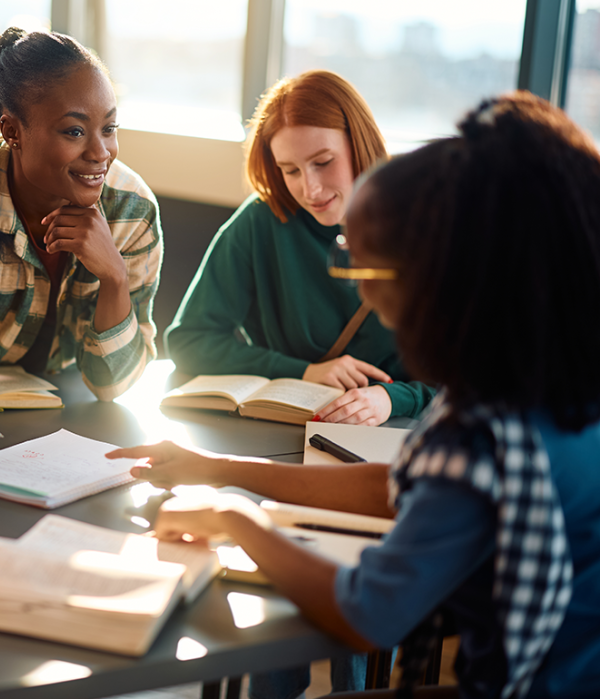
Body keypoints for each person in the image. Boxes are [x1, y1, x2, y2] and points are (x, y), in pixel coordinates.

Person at [109, 92, 600, 698]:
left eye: (360, 267)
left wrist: (237, 519)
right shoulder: (540, 380)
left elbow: (368, 614)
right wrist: (220, 470)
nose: (356, 283)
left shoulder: (478, 435)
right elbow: (400, 485)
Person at [0, 27, 162, 444]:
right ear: (11, 131)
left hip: (82, 422)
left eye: (110, 128)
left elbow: (114, 385)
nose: (101, 152)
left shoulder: (131, 209)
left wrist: (113, 276)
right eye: (74, 131)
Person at [166, 71, 435, 426]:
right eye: (290, 170)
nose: (310, 190)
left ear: (360, 142)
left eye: (323, 163)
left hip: (401, 432)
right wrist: (306, 371)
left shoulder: (429, 225)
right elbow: (188, 342)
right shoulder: (262, 220)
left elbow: (482, 373)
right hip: (281, 429)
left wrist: (393, 398)